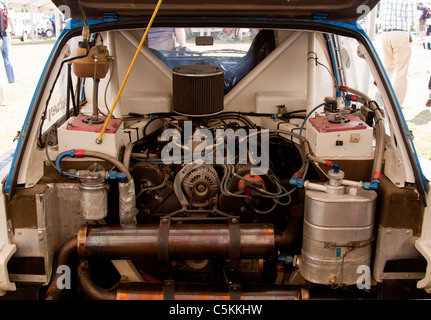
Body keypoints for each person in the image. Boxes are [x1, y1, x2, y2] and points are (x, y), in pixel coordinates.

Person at [379, 0, 416, 107]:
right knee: (401, 71)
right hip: (400, 33)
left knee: (388, 69)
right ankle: (397, 104)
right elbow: (412, 19)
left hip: (385, 34)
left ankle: (384, 99)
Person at [0, 1, 15, 83]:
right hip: (4, 35)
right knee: (6, 56)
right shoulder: (3, 4)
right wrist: (13, 30)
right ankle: (11, 78)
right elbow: (8, 18)